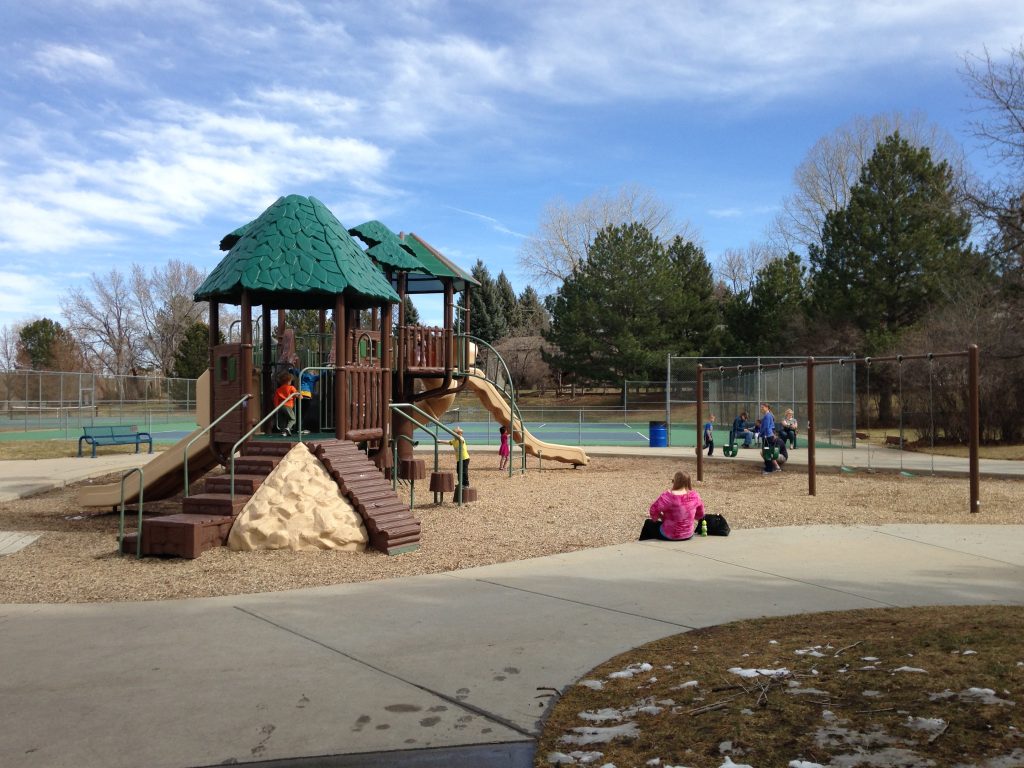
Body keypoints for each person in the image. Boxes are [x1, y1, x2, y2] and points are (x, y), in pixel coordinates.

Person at [640, 470, 705, 541]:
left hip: (670, 534)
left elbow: (653, 510)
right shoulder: (695, 495)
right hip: (688, 534)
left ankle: (641, 544)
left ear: (675, 481)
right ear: (688, 482)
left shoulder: (668, 496)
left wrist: (661, 517)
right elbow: (700, 514)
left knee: (649, 523)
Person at [288, 355, 320, 434]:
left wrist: (291, 366)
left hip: (300, 394)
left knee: (299, 411)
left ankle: (297, 427)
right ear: (313, 373)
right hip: (307, 395)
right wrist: (329, 368)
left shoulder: (303, 374)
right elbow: (322, 375)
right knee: (306, 411)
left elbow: (294, 371)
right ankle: (303, 428)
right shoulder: (313, 377)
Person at [273, 370, 298, 436]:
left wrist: (276, 407)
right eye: (290, 381)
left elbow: (275, 399)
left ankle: (283, 432)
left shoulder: (278, 389)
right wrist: (300, 396)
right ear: (288, 381)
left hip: (280, 406)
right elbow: (296, 394)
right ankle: (288, 428)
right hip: (288, 405)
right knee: (292, 419)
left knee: (282, 420)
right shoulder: (291, 388)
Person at [759, 403, 781, 473]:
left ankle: (769, 469)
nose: (761, 409)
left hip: (767, 436)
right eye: (761, 407)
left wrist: (761, 433)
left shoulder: (768, 416)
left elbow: (766, 427)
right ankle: (768, 467)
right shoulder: (768, 415)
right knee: (766, 452)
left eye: (762, 407)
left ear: (767, 408)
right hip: (768, 435)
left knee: (767, 452)